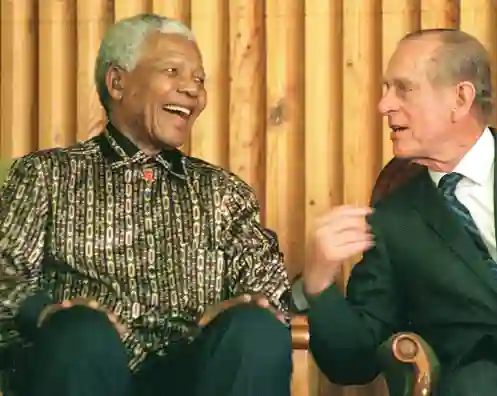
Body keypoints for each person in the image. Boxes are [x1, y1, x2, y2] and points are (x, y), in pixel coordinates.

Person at [0, 13, 292, 396]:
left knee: (256, 328)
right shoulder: (46, 175)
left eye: (200, 80)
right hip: (84, 369)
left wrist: (244, 308)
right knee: (81, 331)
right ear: (118, 83)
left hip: (198, 376)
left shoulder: (223, 192)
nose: (192, 90)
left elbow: (269, 288)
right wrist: (47, 312)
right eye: (173, 71)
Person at [302, 28, 497, 396]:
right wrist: (319, 285)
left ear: (460, 98)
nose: (384, 105)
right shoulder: (393, 218)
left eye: (403, 88)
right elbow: (354, 362)